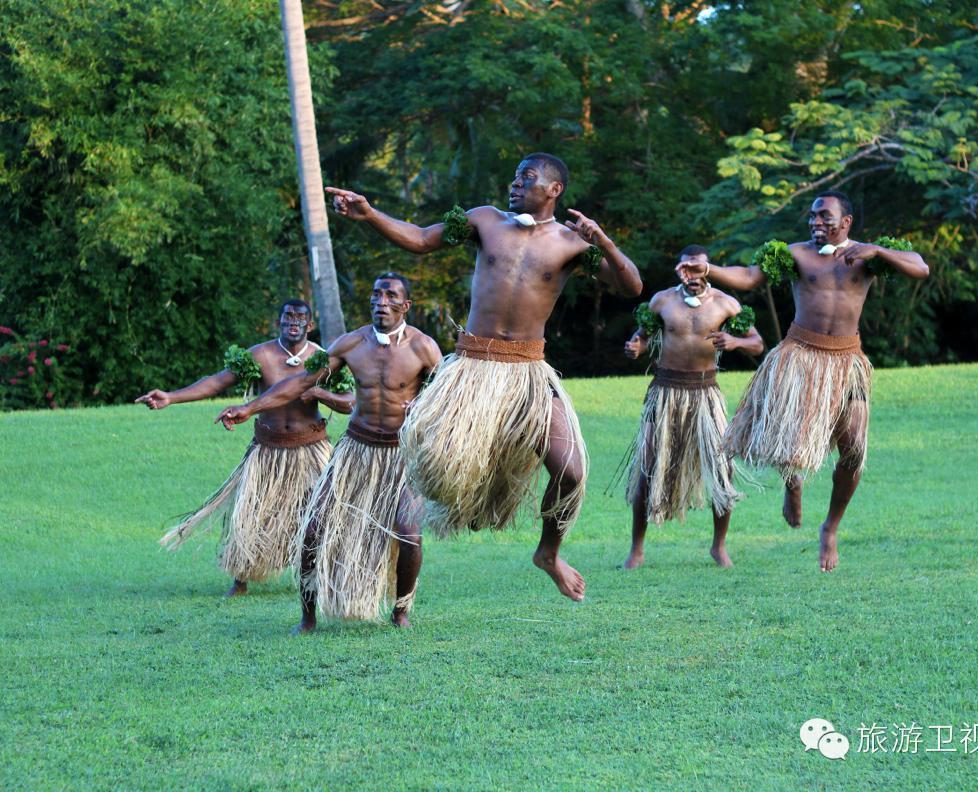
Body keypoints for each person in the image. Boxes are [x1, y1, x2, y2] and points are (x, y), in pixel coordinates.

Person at [325, 153, 642, 601]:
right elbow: (419, 239)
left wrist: (604, 243)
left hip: (528, 372)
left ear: (554, 190)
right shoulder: (484, 221)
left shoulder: (571, 243)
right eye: (514, 176)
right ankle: (406, 522)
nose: (515, 184)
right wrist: (369, 213)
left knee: (571, 471)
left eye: (527, 178)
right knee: (439, 465)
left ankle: (548, 553)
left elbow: (631, 287)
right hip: (473, 366)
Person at [682, 191, 929, 572]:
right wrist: (708, 270)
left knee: (854, 450)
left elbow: (920, 267)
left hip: (847, 361)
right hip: (799, 356)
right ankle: (792, 482)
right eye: (812, 216)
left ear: (846, 222)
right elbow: (749, 277)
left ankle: (830, 527)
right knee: (791, 441)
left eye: (825, 217)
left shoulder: (867, 256)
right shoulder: (795, 254)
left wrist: (878, 252)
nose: (816, 222)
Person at [215, 274, 442, 629]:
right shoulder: (350, 344)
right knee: (313, 528)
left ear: (405, 305)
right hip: (355, 452)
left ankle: (400, 613)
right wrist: (251, 408)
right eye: (375, 293)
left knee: (409, 533)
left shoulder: (424, 347)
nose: (380, 300)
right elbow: (300, 382)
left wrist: (424, 410)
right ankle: (307, 617)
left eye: (390, 295)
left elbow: (444, 397)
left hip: (400, 455)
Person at [136, 300, 352, 596]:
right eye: (288, 315)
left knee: (323, 515)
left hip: (311, 450)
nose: (294, 321)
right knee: (249, 516)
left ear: (310, 325)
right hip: (267, 451)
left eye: (301, 317)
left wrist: (319, 393)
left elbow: (349, 402)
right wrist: (172, 397)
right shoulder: (260, 354)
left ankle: (321, 574)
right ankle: (241, 578)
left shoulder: (323, 358)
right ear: (278, 320)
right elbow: (216, 383)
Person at [622, 245, 764, 569]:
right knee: (646, 469)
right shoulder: (661, 301)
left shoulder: (726, 304)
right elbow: (642, 337)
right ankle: (637, 550)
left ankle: (719, 547)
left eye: (698, 269)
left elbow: (757, 343)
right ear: (679, 270)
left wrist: (736, 342)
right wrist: (636, 346)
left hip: (705, 395)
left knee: (722, 470)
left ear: (707, 269)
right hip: (665, 393)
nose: (693, 276)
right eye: (686, 269)